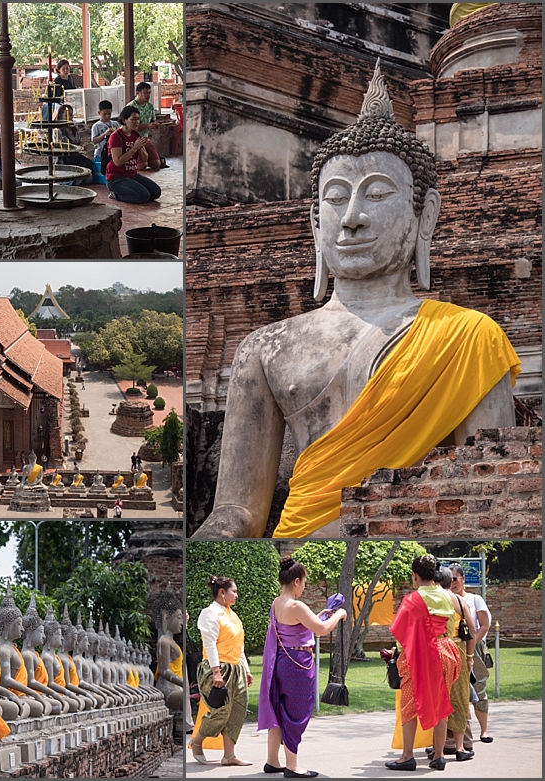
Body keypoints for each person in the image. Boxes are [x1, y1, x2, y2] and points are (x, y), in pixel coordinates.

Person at [192, 62, 520, 540]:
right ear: (314, 223)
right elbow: (237, 510)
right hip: (294, 548)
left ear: (425, 216)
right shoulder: (264, 349)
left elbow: (489, 495)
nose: (351, 218)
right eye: (335, 197)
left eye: (377, 194)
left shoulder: (469, 338)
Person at [259, 557, 347, 778]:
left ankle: (272, 761)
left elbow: (297, 626)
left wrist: (320, 616)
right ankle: (292, 766)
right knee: (295, 714)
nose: (305, 587)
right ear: (296, 581)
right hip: (297, 664)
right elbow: (322, 630)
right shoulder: (296, 605)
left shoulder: (276, 603)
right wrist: (338, 615)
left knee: (279, 710)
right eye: (304, 582)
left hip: (281, 661)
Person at [385, 555, 461, 772]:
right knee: (441, 702)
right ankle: (439, 756)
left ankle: (407, 756)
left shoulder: (412, 600)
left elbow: (400, 633)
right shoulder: (447, 596)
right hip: (445, 650)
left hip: (418, 654)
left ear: (415, 576)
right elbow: (450, 627)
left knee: (409, 703)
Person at [190, 576, 252, 767]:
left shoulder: (232, 615)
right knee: (221, 711)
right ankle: (197, 741)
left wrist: (246, 670)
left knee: (237, 711)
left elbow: (239, 646)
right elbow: (209, 644)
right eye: (234, 591)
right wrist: (216, 672)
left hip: (236, 668)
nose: (237, 595)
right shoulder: (210, 613)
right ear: (222, 592)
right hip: (217, 668)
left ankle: (229, 756)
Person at [428, 566, 475, 762]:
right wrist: (470, 656)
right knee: (460, 697)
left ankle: (437, 748)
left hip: (438, 648)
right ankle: (460, 747)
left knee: (438, 699)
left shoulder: (433, 599)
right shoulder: (460, 601)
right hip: (459, 650)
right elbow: (471, 629)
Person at [449, 562, 493, 744]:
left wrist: (472, 644)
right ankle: (456, 737)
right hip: (454, 649)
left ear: (463, 579)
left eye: (455, 579)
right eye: (449, 579)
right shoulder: (446, 599)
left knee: (479, 688)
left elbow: (484, 625)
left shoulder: (475, 599)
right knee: (456, 692)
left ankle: (484, 730)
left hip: (474, 649)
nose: (452, 583)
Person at [106, 106, 162, 204]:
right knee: (143, 196)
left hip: (132, 174)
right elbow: (118, 161)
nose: (137, 122)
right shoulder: (116, 136)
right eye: (133, 119)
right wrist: (134, 148)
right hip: (116, 178)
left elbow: (144, 158)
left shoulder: (135, 134)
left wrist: (140, 147)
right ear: (124, 120)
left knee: (156, 192)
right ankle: (116, 195)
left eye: (138, 119)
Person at [126, 82, 162, 171]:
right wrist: (148, 126)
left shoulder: (150, 106)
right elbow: (129, 127)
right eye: (145, 93)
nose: (148, 95)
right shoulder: (131, 107)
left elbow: (153, 120)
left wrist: (155, 124)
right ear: (138, 93)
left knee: (156, 164)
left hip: (145, 139)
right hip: (133, 140)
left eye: (149, 93)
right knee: (142, 166)